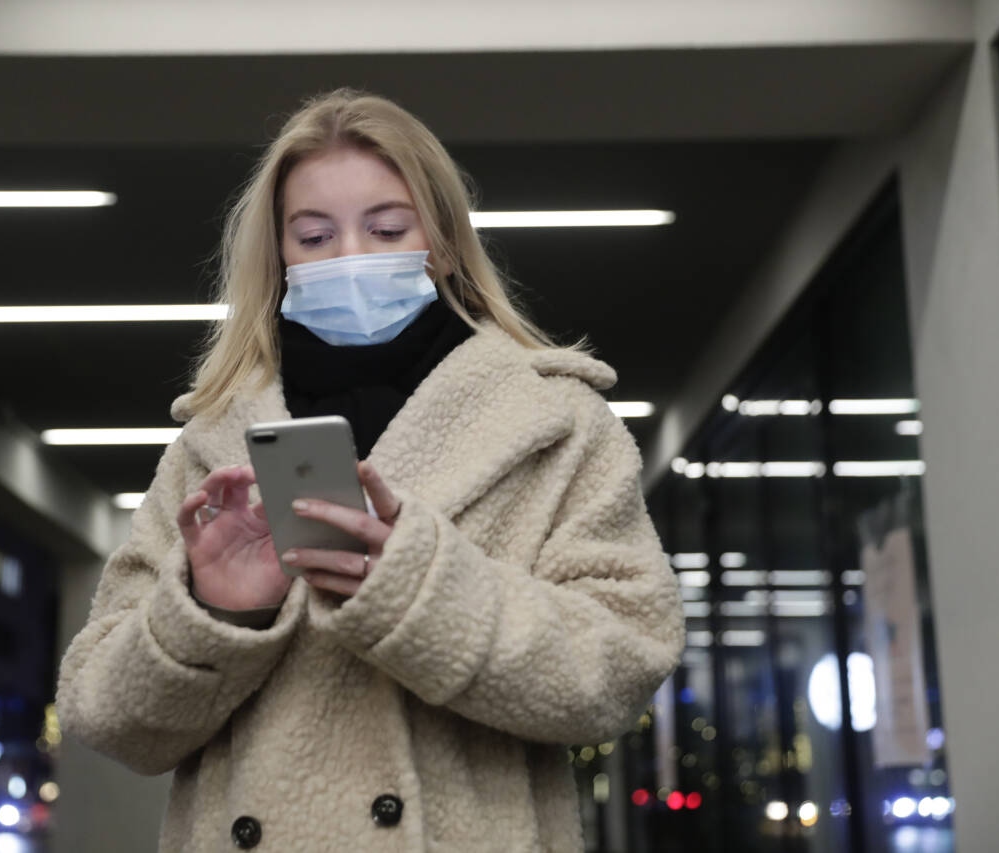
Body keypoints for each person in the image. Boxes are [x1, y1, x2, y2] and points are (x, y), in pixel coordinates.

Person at [56, 88, 684, 852]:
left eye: (387, 227)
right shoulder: (211, 441)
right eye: (315, 236)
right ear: (280, 256)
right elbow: (106, 717)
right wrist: (213, 614)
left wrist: (419, 588)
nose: (351, 256)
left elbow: (620, 666)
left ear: (443, 242)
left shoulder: (554, 423)